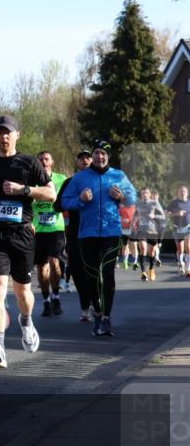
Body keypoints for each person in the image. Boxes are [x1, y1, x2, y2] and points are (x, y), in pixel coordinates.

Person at [0, 115, 55, 370]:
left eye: (8, 132)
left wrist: (24, 190)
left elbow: (51, 194)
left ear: (17, 135)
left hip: (22, 235)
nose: (3, 136)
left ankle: (27, 321)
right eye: (0, 132)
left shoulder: (29, 163)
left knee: (22, 292)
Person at [59, 140, 137, 337]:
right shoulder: (80, 178)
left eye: (103, 153)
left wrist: (121, 198)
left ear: (108, 156)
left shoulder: (119, 176)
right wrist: (80, 200)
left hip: (111, 232)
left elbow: (133, 198)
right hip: (87, 234)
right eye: (96, 153)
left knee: (108, 272)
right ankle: (98, 313)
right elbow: (64, 201)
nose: (99, 157)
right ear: (92, 156)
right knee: (92, 275)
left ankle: (107, 317)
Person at [54, 150, 94, 321]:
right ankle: (85, 305)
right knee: (77, 271)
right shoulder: (70, 182)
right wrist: (79, 199)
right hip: (75, 234)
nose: (85, 160)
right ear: (77, 162)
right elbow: (57, 206)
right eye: (81, 158)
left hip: (95, 233)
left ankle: (97, 305)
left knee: (94, 271)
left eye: (88, 157)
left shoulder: (100, 181)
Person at [33, 151, 67, 317]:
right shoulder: (31, 179)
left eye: (46, 159)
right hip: (37, 229)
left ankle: (56, 296)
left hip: (56, 228)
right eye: (40, 160)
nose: (44, 162)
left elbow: (67, 199)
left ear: (52, 162)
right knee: (42, 267)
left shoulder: (61, 179)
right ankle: (46, 300)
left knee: (55, 263)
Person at [133, 187, 166, 282]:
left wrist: (154, 216)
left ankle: (151, 269)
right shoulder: (138, 204)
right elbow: (135, 214)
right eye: (143, 193)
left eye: (146, 193)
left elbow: (163, 216)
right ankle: (143, 272)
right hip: (141, 230)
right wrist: (133, 224)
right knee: (143, 249)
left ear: (150, 194)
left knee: (151, 252)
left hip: (152, 231)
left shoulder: (154, 203)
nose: (144, 195)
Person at [167, 184, 190, 277]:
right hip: (177, 228)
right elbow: (167, 214)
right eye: (181, 191)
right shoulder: (173, 203)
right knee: (180, 249)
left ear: (187, 193)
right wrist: (176, 213)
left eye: (184, 191)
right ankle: (181, 264)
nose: (183, 193)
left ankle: (188, 267)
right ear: (178, 193)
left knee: (188, 246)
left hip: (188, 227)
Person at [118, 200, 137, 269]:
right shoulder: (121, 208)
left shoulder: (135, 207)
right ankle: (125, 261)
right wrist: (122, 220)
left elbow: (138, 217)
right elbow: (117, 216)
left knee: (134, 245)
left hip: (133, 229)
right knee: (125, 245)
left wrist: (134, 223)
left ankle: (135, 262)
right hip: (124, 228)